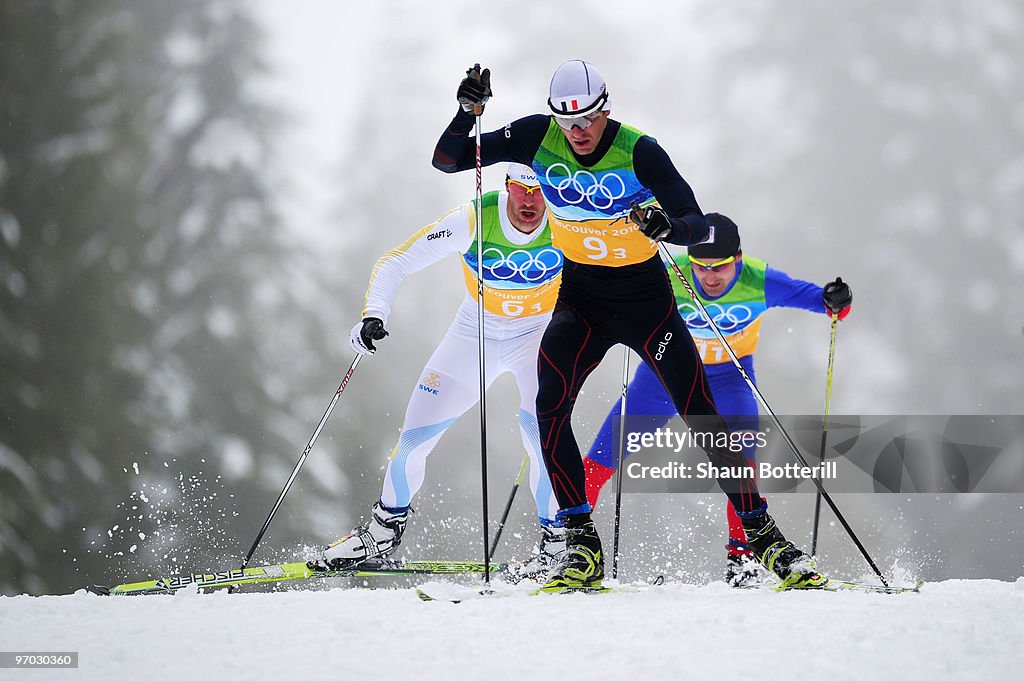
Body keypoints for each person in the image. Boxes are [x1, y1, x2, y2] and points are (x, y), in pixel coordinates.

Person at [434, 59, 825, 590]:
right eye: (567, 123)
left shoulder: (639, 149)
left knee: (701, 412)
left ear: (605, 110)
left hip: (647, 304)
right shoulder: (534, 136)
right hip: (582, 301)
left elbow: (695, 221)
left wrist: (668, 225)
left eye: (587, 121)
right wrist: (466, 113)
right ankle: (580, 543)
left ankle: (764, 537)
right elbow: (449, 159)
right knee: (549, 407)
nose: (576, 133)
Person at [310, 164, 566, 576]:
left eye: (540, 191)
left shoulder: (566, 217)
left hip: (536, 336)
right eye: (522, 190)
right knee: (413, 441)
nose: (531, 202)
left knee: (542, 439)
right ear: (507, 187)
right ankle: (382, 532)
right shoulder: (473, 218)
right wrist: (373, 314)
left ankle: (558, 546)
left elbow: (617, 262)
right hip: (473, 335)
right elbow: (395, 261)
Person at [581, 212, 853, 586]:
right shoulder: (669, 272)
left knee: (744, 469)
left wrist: (835, 298)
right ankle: (565, 546)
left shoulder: (760, 280)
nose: (709, 277)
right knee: (596, 463)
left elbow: (822, 301)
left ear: (737, 260)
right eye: (701, 267)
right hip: (661, 378)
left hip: (729, 380)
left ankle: (742, 562)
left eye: (720, 268)